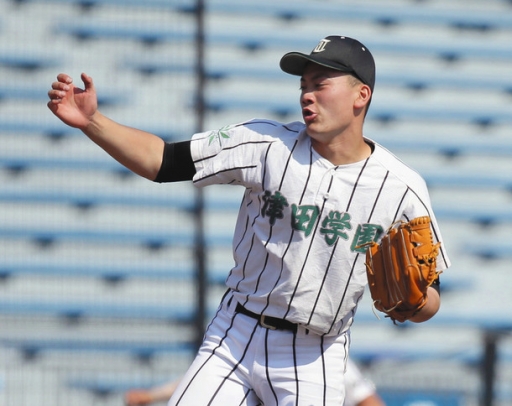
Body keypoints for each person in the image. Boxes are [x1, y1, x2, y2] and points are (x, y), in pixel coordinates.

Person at [48, 35, 450, 405]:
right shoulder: (264, 143)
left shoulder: (401, 187)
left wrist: (412, 304)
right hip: (235, 334)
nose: (307, 96)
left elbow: (430, 295)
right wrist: (92, 123)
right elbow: (163, 161)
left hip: (315, 356)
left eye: (320, 84)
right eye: (303, 86)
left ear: (361, 94)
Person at [124, 358, 385, 406]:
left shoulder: (330, 361)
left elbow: (368, 400)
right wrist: (151, 396)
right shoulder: (251, 338)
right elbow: (204, 378)